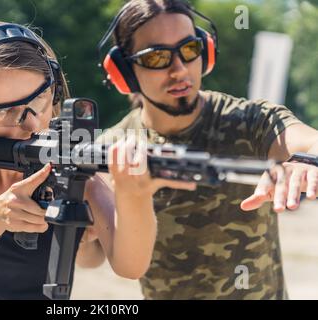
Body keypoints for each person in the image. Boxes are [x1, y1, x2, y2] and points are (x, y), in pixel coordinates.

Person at [0, 20, 195, 300]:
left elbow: (130, 266)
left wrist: (135, 195)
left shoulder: (69, 152)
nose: (29, 124)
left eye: (39, 100)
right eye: (2, 113)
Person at [97, 0, 318, 299]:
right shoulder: (109, 153)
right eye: (157, 57)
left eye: (189, 50)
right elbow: (94, 257)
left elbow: (309, 141)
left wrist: (306, 160)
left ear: (206, 52)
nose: (179, 70)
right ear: (124, 71)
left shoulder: (250, 120)